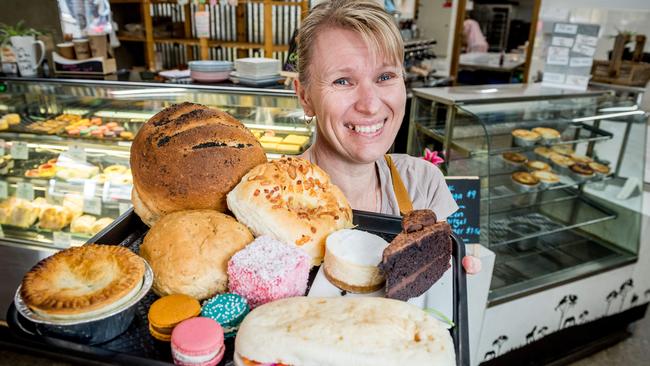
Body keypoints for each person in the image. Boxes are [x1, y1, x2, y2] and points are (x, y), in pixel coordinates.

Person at [294, 0, 480, 274]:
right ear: (305, 97)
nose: (370, 105)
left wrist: (457, 278)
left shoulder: (422, 184)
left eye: (385, 77)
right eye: (342, 81)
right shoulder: (268, 200)